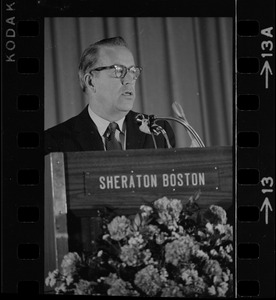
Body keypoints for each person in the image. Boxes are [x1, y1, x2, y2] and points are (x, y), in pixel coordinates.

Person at [45, 36, 175, 155]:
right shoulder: (54, 141)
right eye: (118, 71)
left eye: (132, 71)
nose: (129, 80)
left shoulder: (158, 132)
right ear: (91, 81)